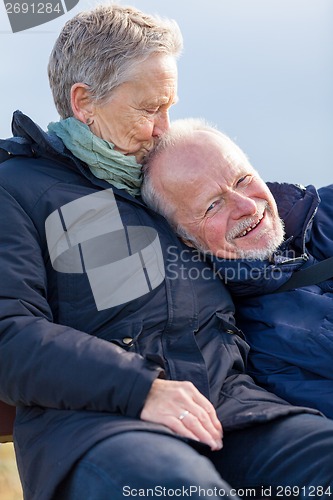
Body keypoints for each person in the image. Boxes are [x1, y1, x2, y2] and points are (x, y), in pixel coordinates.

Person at [1, 5, 333, 500]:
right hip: (101, 426)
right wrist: (141, 388)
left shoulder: (163, 183)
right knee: (182, 490)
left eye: (170, 106)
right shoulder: (17, 189)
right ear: (84, 102)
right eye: (149, 108)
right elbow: (8, 333)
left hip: (235, 412)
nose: (163, 128)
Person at [141, 117, 333, 419]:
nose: (246, 206)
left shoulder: (326, 208)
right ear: (184, 239)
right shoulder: (261, 345)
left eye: (243, 180)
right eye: (212, 206)